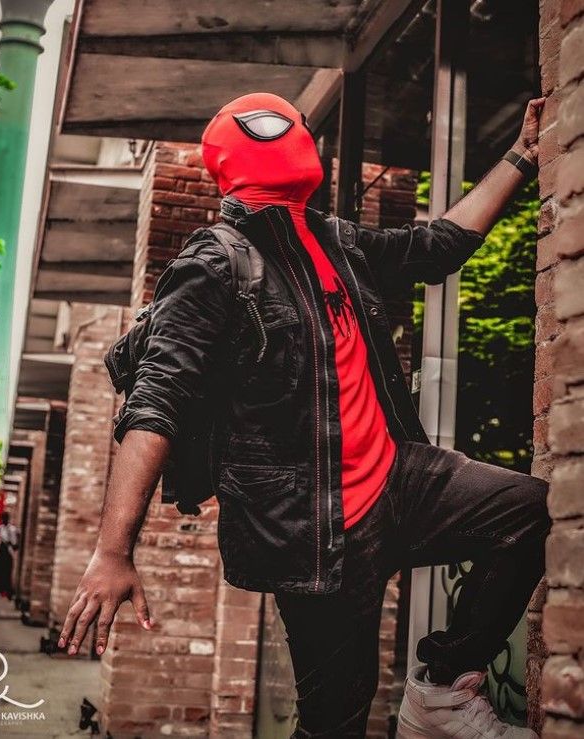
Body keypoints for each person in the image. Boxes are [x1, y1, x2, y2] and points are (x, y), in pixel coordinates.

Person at [58, 92, 550, 738]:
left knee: (529, 512)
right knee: (336, 720)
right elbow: (155, 403)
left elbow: (437, 246)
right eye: (274, 125)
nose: (293, 132)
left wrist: (523, 155)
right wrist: (112, 550)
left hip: (399, 480)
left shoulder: (335, 239)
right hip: (313, 529)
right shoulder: (214, 264)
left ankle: (441, 691)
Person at [0, 512, 19, 599]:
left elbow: (14, 543)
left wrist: (10, 544)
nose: (3, 520)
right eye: (2, 519)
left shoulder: (12, 529)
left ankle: (9, 591)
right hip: (2, 551)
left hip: (9, 552)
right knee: (1, 571)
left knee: (8, 572)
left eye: (4, 518)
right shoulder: (1, 528)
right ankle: (2, 590)